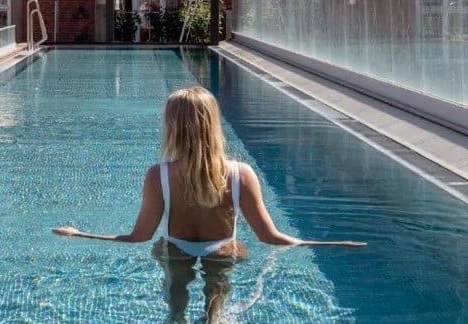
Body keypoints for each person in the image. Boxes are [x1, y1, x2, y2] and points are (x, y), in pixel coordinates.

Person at [53, 86, 364, 322]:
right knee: (218, 300)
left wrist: (80, 233)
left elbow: (139, 236)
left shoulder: (159, 175)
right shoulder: (241, 174)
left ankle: (176, 314)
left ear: (171, 127)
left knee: (174, 290)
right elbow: (270, 237)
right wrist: (330, 243)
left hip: (175, 247)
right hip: (222, 249)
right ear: (213, 125)